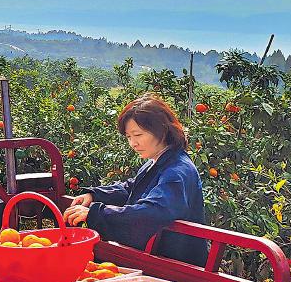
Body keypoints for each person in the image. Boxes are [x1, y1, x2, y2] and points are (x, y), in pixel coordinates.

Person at [62, 94, 208, 265]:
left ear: (162, 130)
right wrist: (94, 196)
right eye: (129, 137)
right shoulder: (159, 162)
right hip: (160, 258)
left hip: (177, 266)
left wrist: (95, 214)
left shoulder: (177, 172)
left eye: (137, 135)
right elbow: (132, 188)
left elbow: (153, 212)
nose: (133, 143)